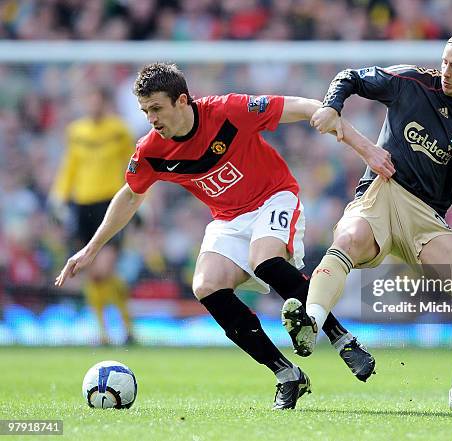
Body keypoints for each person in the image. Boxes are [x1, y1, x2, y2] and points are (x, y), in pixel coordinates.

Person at [55, 62, 378, 410]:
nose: (151, 118)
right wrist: (91, 249)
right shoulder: (152, 150)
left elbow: (303, 107)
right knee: (205, 286)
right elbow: (131, 194)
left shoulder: (228, 111)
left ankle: (343, 341)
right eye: (145, 111)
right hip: (228, 219)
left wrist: (365, 148)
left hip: (274, 196)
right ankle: (287, 375)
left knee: (265, 260)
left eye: (157, 108)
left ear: (182, 101)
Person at [281, 27, 452, 413]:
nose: (446, 71)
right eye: (444, 61)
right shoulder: (410, 82)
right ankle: (310, 323)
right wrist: (332, 105)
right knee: (349, 241)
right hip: (380, 192)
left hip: (425, 217)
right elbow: (351, 77)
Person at [50, 86, 136, 345]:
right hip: (82, 204)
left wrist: (142, 200)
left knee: (104, 270)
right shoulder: (76, 132)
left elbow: (134, 164)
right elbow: (70, 166)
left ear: (105, 103)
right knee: (92, 272)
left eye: (97, 100)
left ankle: (125, 325)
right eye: (90, 100)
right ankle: (104, 332)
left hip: (110, 204)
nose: (93, 105)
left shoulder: (119, 130)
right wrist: (59, 195)